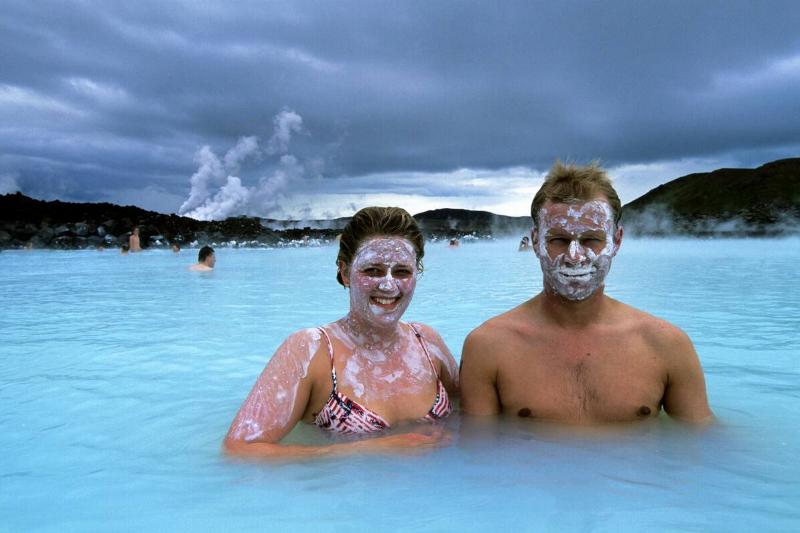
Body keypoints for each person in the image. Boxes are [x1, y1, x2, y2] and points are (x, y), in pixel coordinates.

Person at [460, 162, 713, 424]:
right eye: (558, 240)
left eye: (592, 239)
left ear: (617, 241)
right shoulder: (489, 346)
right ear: (535, 241)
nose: (575, 257)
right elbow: (478, 445)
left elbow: (701, 439)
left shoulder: (666, 345)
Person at [224, 207, 459, 458]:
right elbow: (240, 450)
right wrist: (375, 448)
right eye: (373, 270)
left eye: (402, 272)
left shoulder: (427, 342)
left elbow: (472, 415)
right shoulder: (311, 349)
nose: (389, 285)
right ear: (345, 273)